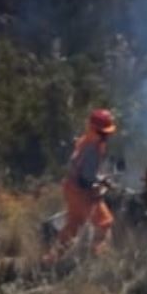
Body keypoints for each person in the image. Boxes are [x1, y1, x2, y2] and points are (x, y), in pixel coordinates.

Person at [47, 108, 118, 263]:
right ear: (94, 130)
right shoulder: (93, 148)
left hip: (71, 188)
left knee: (73, 225)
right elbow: (87, 176)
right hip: (82, 192)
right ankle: (100, 261)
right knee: (104, 224)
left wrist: (98, 178)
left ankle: (51, 260)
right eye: (102, 133)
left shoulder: (85, 141)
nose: (105, 136)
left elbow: (80, 168)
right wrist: (101, 182)